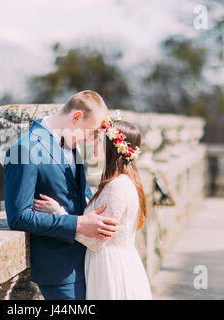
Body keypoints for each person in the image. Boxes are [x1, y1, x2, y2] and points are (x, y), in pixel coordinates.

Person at [4, 90, 119, 300]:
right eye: (91, 132)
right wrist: (77, 224)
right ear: (76, 117)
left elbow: (81, 197)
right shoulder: (23, 149)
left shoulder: (72, 145)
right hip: (60, 271)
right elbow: (18, 217)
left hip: (89, 261)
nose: (91, 139)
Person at [34, 117, 152, 300]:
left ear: (113, 147)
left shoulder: (117, 187)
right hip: (112, 263)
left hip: (111, 268)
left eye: (99, 139)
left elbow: (97, 242)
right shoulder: (121, 182)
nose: (92, 143)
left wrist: (58, 213)